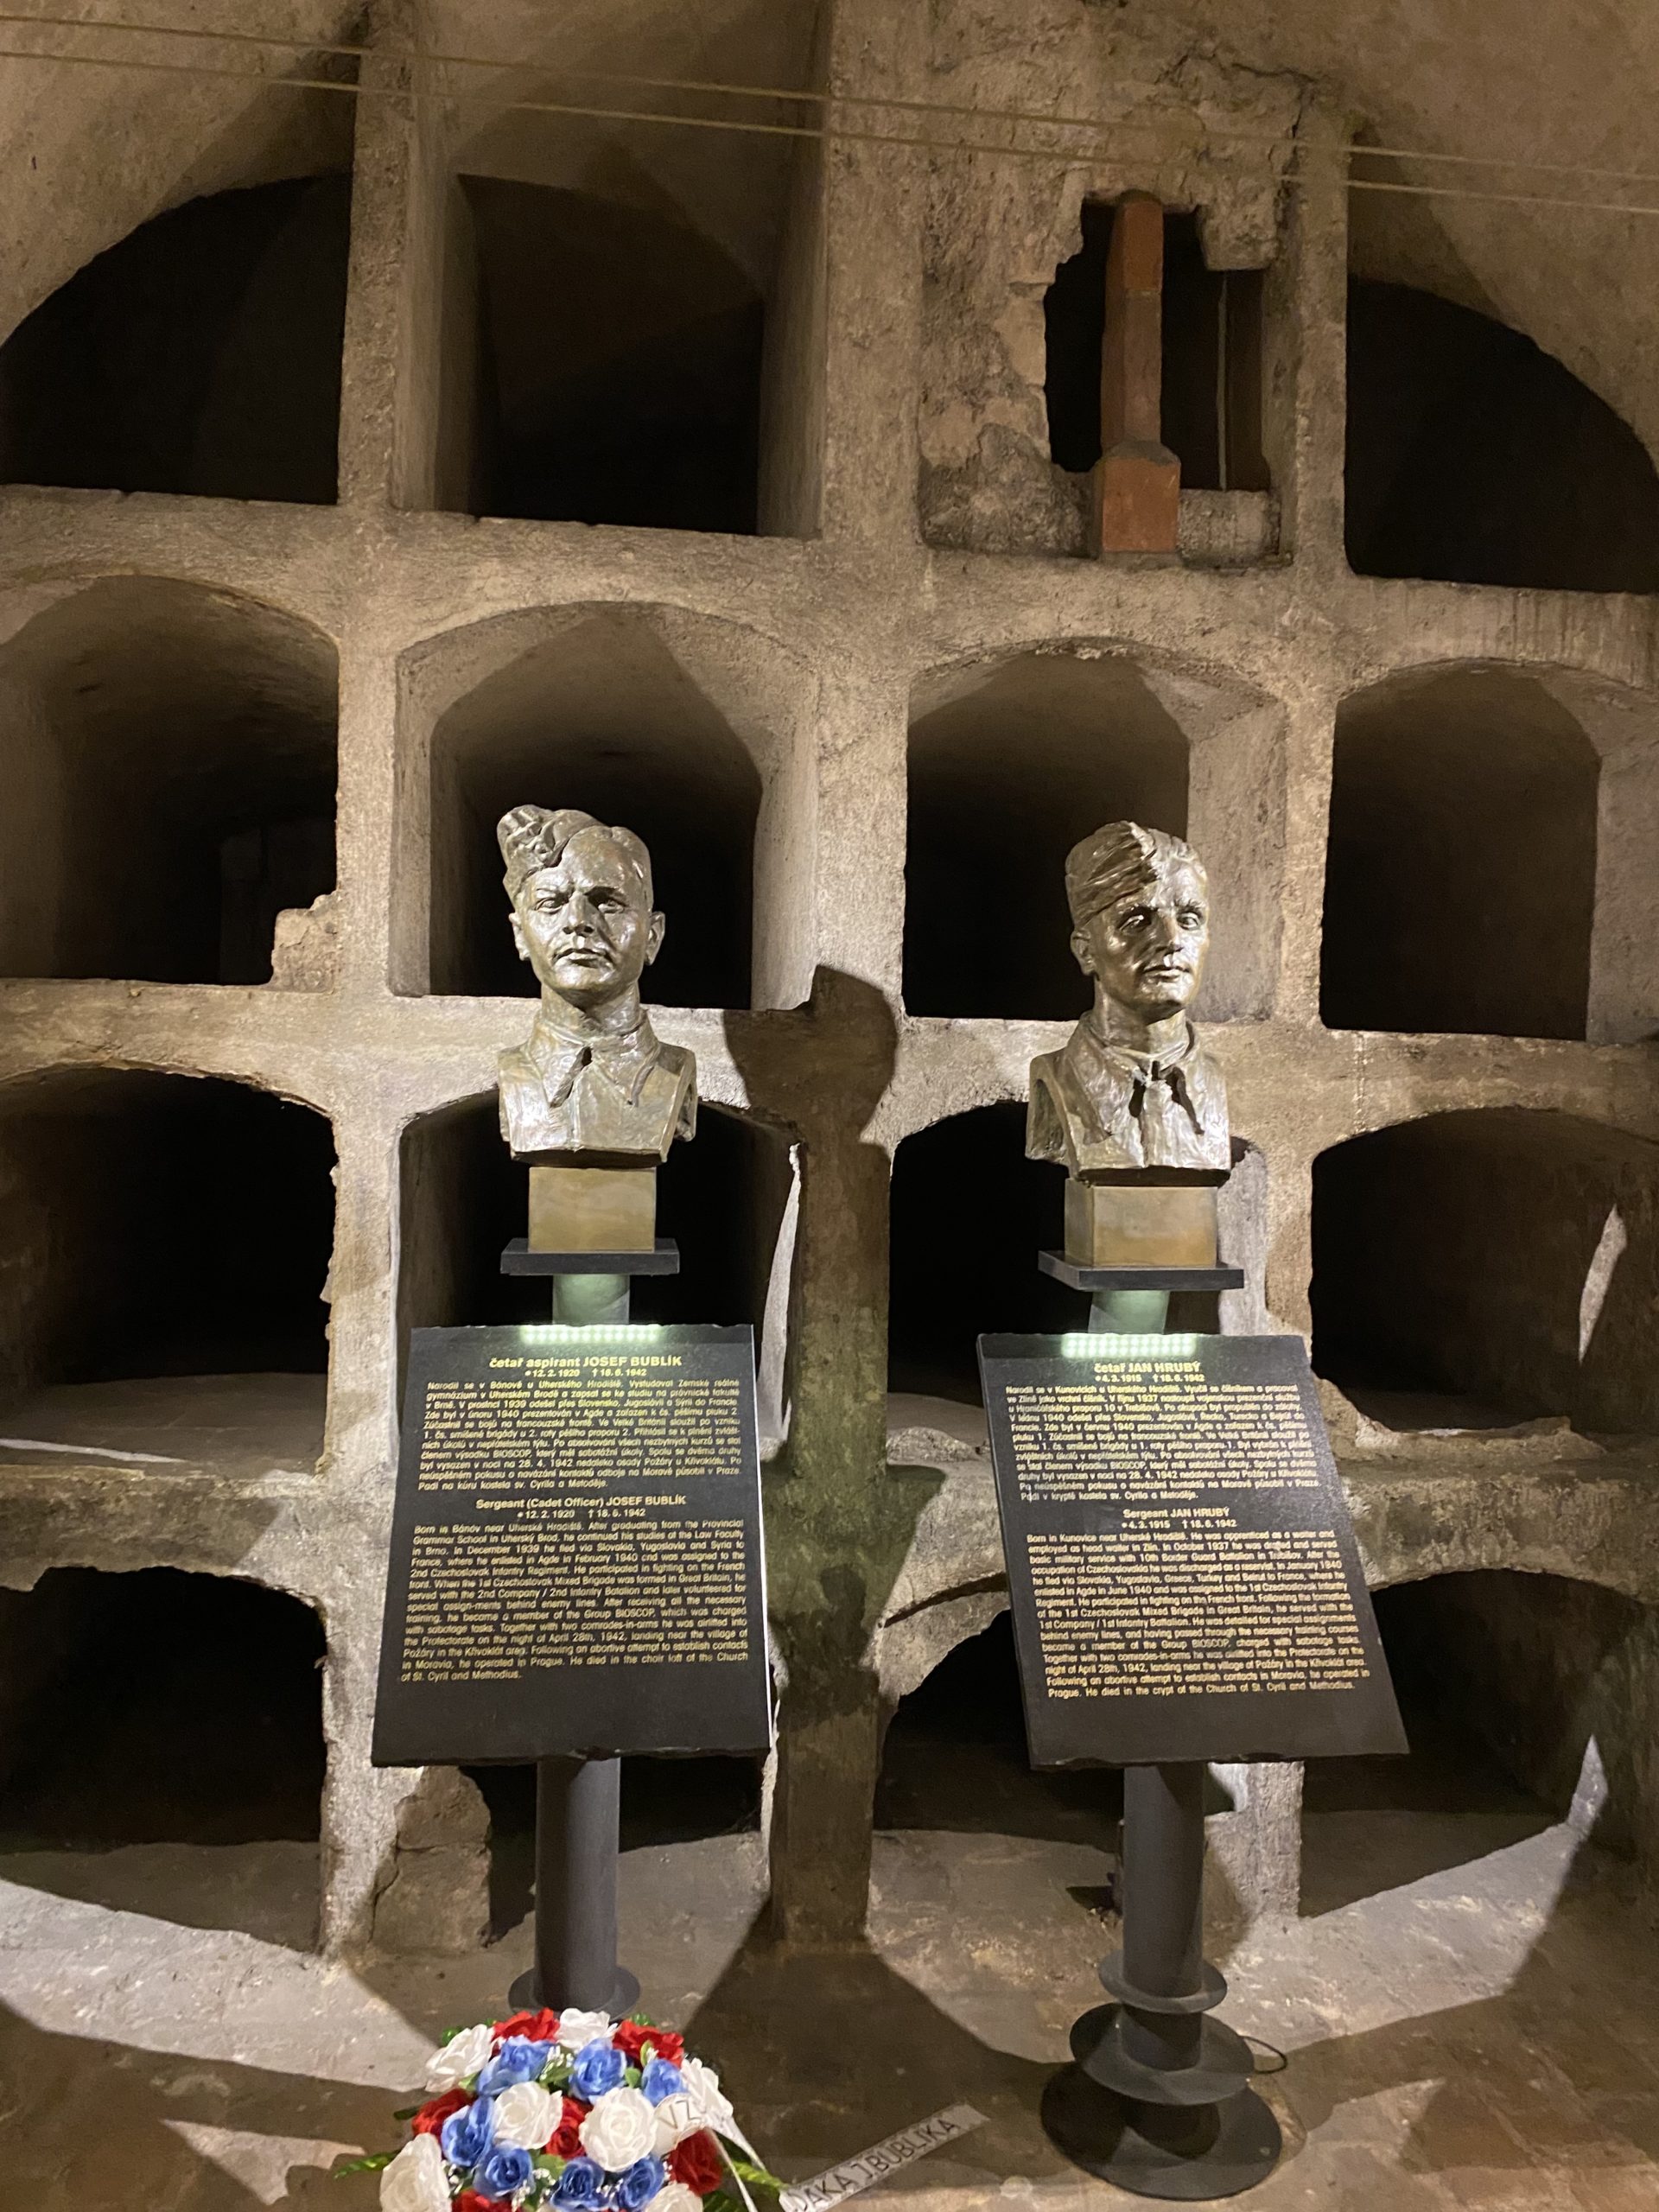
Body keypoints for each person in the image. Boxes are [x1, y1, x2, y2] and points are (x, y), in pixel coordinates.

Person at [495, 804, 696, 1161]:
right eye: (550, 904)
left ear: (653, 935)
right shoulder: (512, 1076)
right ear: (519, 936)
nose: (577, 922)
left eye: (607, 903)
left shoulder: (675, 1073)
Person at [1027, 820, 1229, 1174]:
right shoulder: (1056, 1078)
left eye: (1189, 919)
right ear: (1086, 952)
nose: (1171, 939)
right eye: (1137, 920)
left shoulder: (1220, 1084)